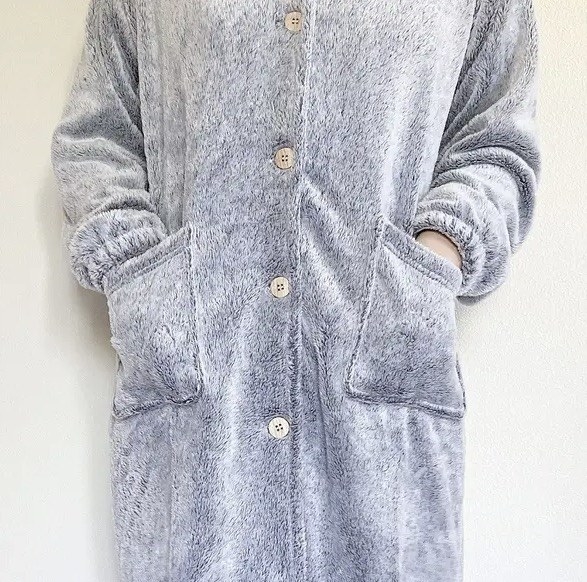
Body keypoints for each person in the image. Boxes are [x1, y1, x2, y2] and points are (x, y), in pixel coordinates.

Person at [50, 0, 540, 580]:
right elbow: (97, 140)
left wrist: (433, 260)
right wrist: (148, 291)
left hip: (377, 400)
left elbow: (497, 142)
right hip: (203, 399)